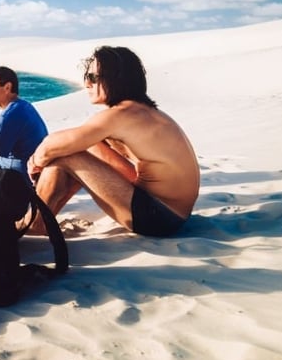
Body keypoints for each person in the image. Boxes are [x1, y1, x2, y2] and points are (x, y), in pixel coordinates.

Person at [22, 46, 199, 238]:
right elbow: (126, 169)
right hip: (171, 215)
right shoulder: (143, 112)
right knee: (86, 146)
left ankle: (35, 222)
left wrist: (36, 162)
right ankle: (42, 219)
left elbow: (53, 144)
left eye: (92, 78)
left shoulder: (120, 116)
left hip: (157, 217)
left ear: (115, 79)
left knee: (68, 153)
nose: (86, 85)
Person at [0, 66, 48, 173]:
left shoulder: (10, 115)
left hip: (22, 178)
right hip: (37, 170)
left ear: (7, 87)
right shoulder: (23, 105)